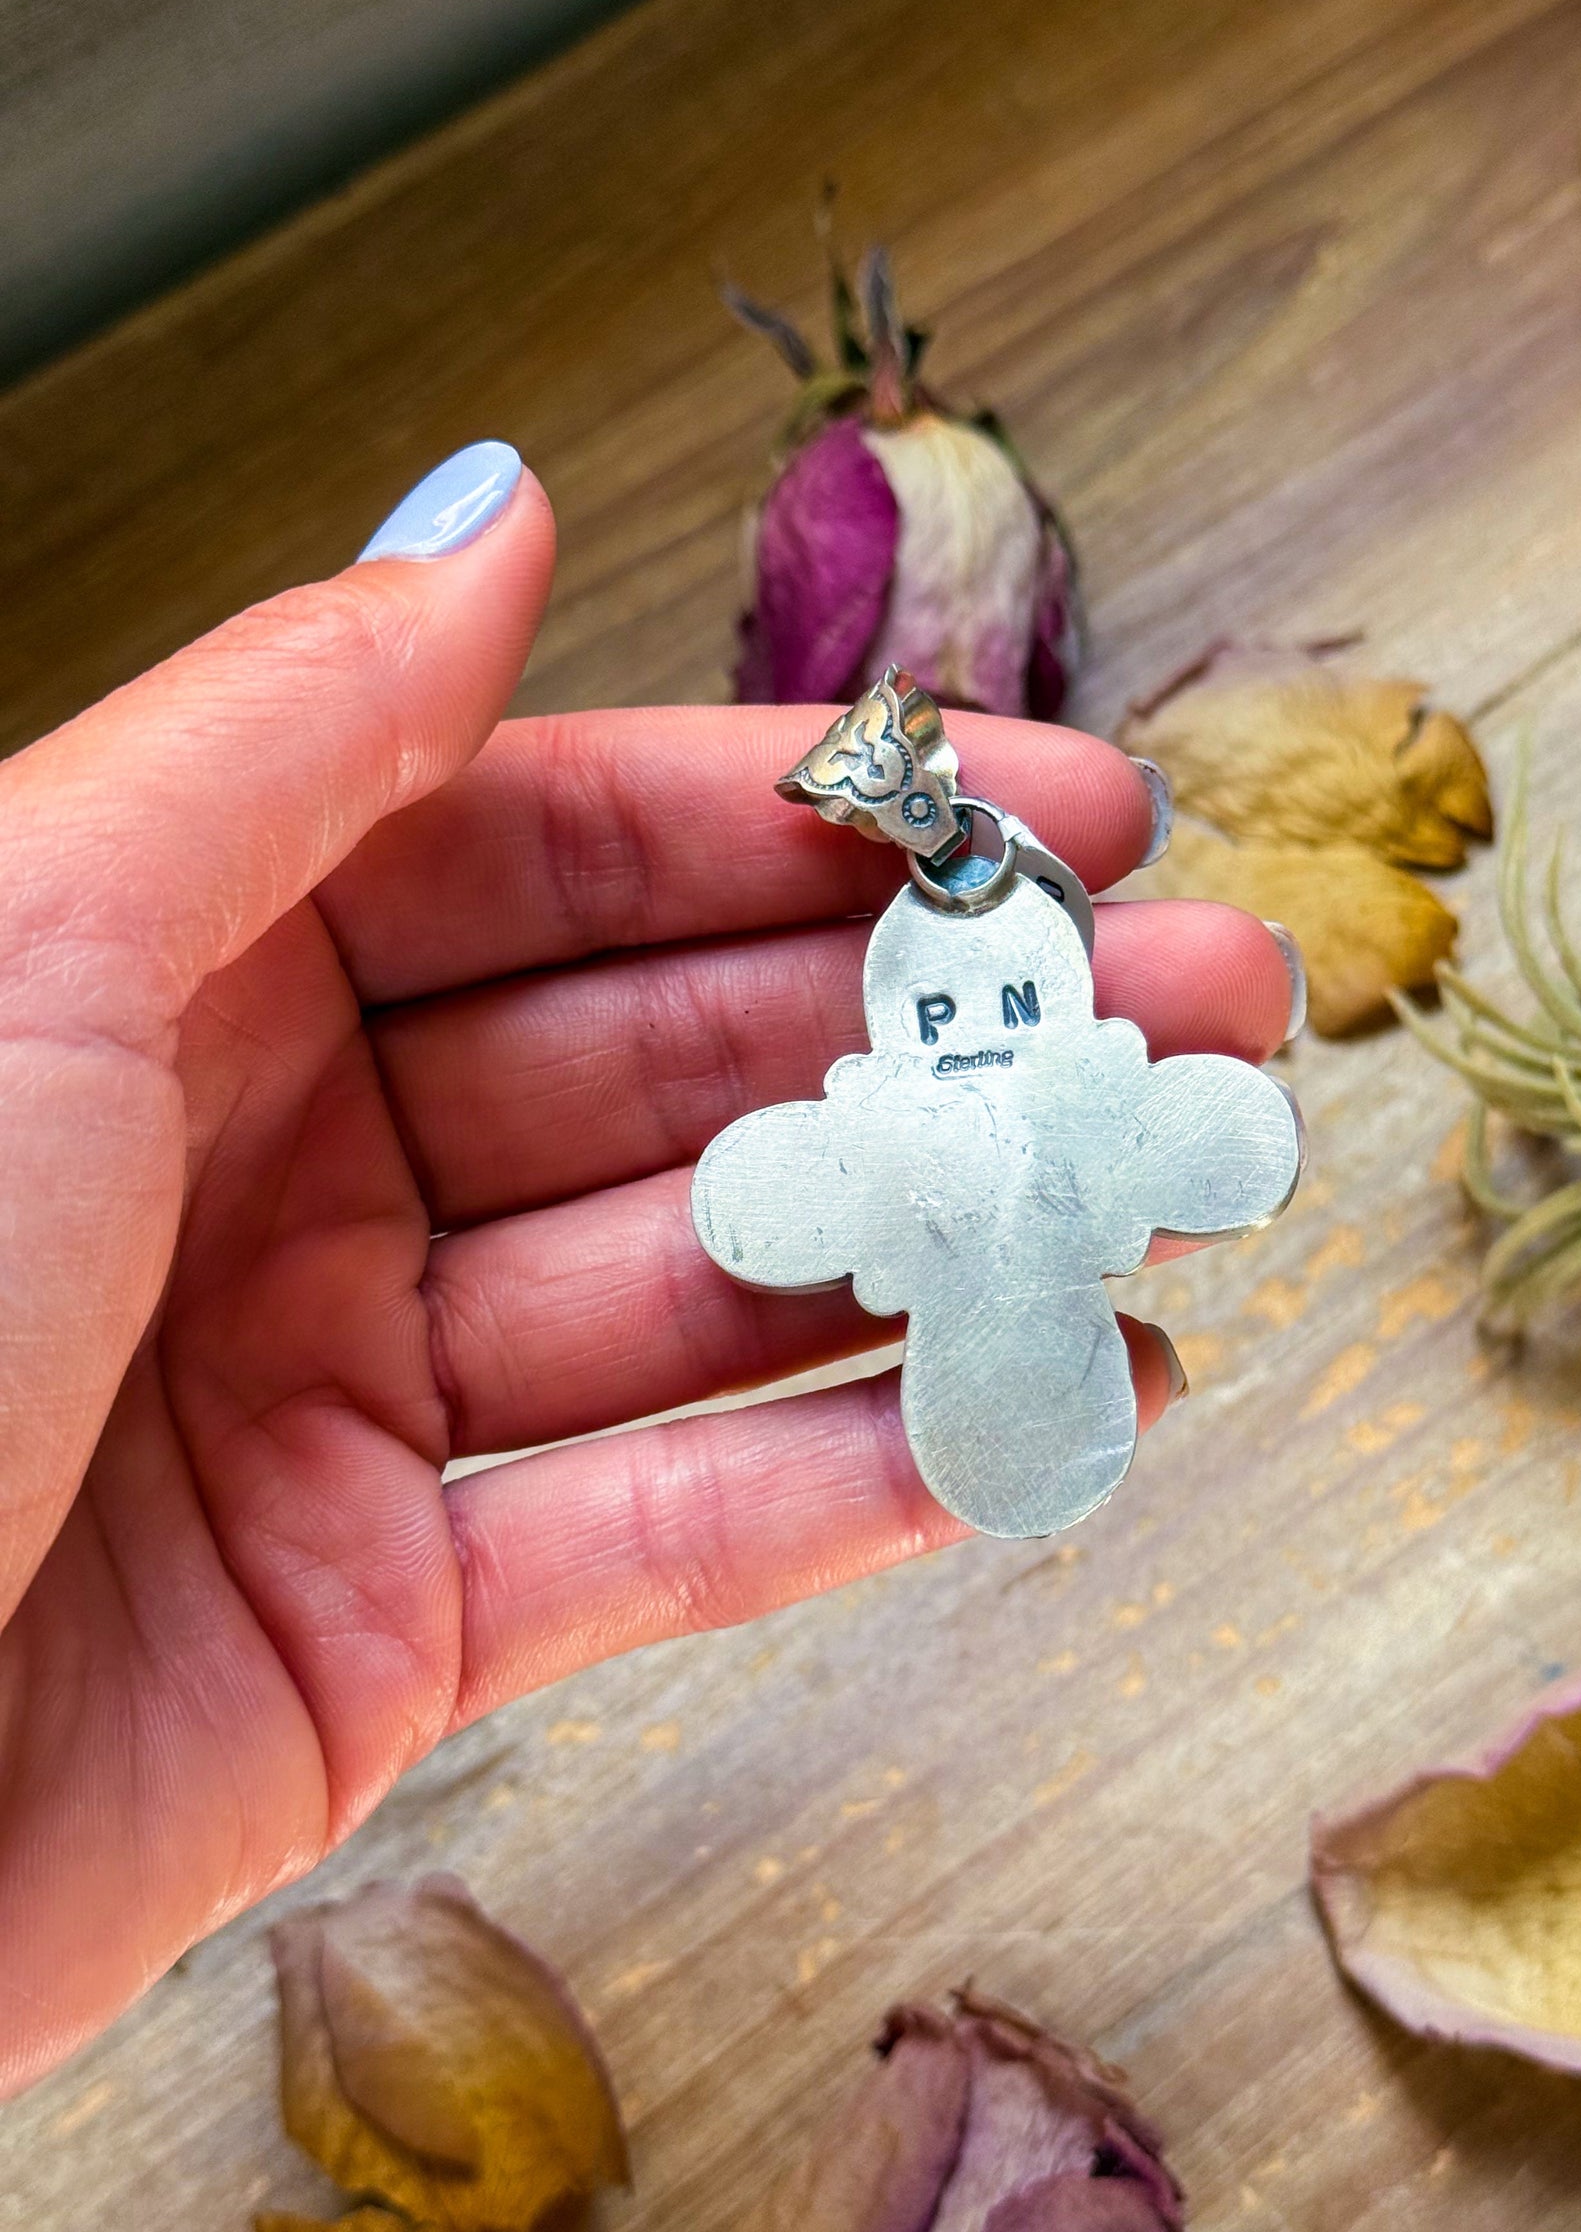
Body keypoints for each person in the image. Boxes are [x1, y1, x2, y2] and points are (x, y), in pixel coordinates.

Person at [0, 441, 1298, 2095]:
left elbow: (1205, 1138)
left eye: (993, 1006)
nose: (972, 1022)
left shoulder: (1072, 1097)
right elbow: (767, 1194)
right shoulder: (891, 1124)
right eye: (949, 1008)